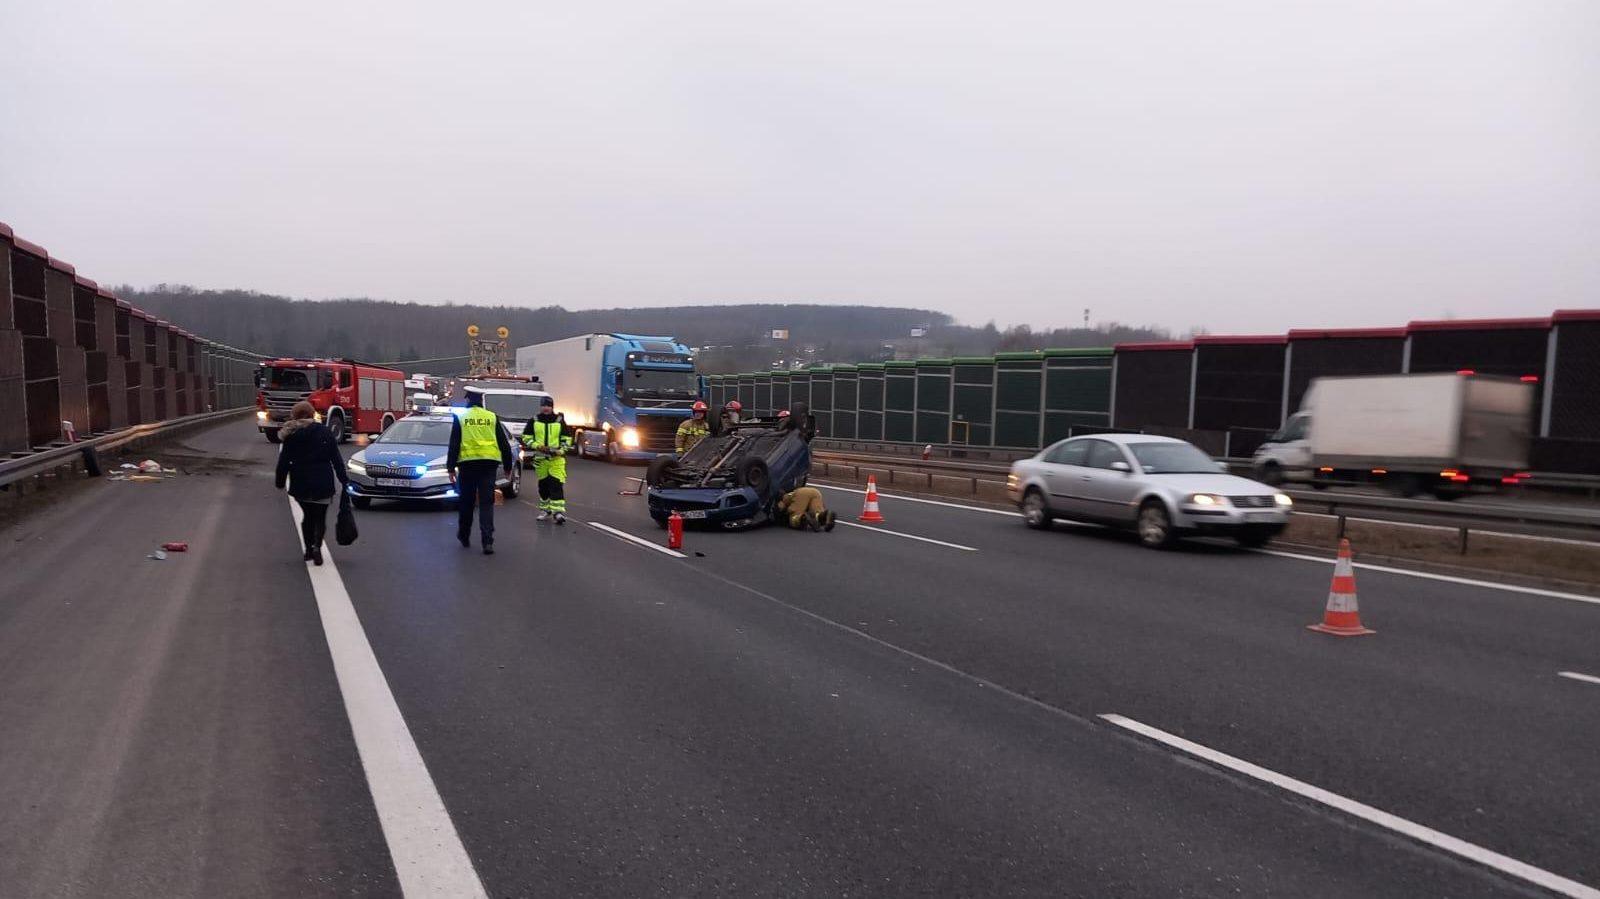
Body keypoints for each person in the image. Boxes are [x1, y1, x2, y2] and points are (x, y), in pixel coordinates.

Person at [273, 401, 349, 565]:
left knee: (307, 516)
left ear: (294, 415)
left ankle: (308, 549)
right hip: (323, 482)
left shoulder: (291, 434)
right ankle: (317, 546)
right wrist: (344, 479)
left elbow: (284, 461)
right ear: (312, 413)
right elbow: (336, 458)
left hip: (301, 483)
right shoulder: (325, 432)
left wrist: (280, 481)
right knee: (320, 517)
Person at [447, 392, 515, 554]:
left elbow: (454, 444)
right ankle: (487, 542)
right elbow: (503, 443)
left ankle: (464, 535)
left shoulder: (461, 418)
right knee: (486, 503)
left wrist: (450, 468)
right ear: (482, 402)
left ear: (468, 401)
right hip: (488, 465)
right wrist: (507, 466)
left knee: (467, 502)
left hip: (467, 465)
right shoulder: (491, 417)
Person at [522, 395, 572, 524]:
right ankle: (545, 510)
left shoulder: (559, 420)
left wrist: (561, 450)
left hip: (557, 459)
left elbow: (567, 439)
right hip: (540, 459)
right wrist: (538, 446)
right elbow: (526, 437)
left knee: (556, 483)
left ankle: (558, 512)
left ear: (552, 407)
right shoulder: (534, 420)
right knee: (543, 486)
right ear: (540, 406)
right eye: (544, 405)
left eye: (548, 406)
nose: (546, 408)